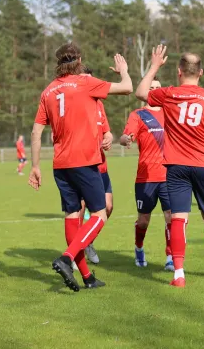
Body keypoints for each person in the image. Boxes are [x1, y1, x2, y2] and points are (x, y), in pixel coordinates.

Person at [28, 42, 132, 292]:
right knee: (99, 214)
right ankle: (67, 258)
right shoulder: (85, 82)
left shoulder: (48, 91)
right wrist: (123, 70)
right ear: (79, 60)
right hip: (84, 161)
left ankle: (86, 277)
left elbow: (36, 131)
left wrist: (34, 167)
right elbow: (128, 88)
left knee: (73, 216)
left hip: (60, 164)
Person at [135, 45, 204, 288]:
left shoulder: (169, 94)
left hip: (176, 166)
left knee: (178, 218)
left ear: (179, 72)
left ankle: (179, 274)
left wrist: (155, 66)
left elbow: (140, 92)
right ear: (201, 72)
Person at [119, 78, 173, 271]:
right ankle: (139, 248)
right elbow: (125, 137)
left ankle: (170, 257)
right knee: (143, 220)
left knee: (170, 217)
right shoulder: (138, 115)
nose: (156, 91)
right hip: (146, 176)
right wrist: (126, 139)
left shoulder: (171, 113)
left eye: (159, 88)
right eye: (151, 88)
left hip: (169, 175)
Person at [79, 67, 114, 266]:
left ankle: (87, 243)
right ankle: (76, 254)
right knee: (81, 210)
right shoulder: (78, 106)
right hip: (83, 167)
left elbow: (107, 132)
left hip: (102, 167)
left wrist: (108, 139)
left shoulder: (99, 104)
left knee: (108, 207)